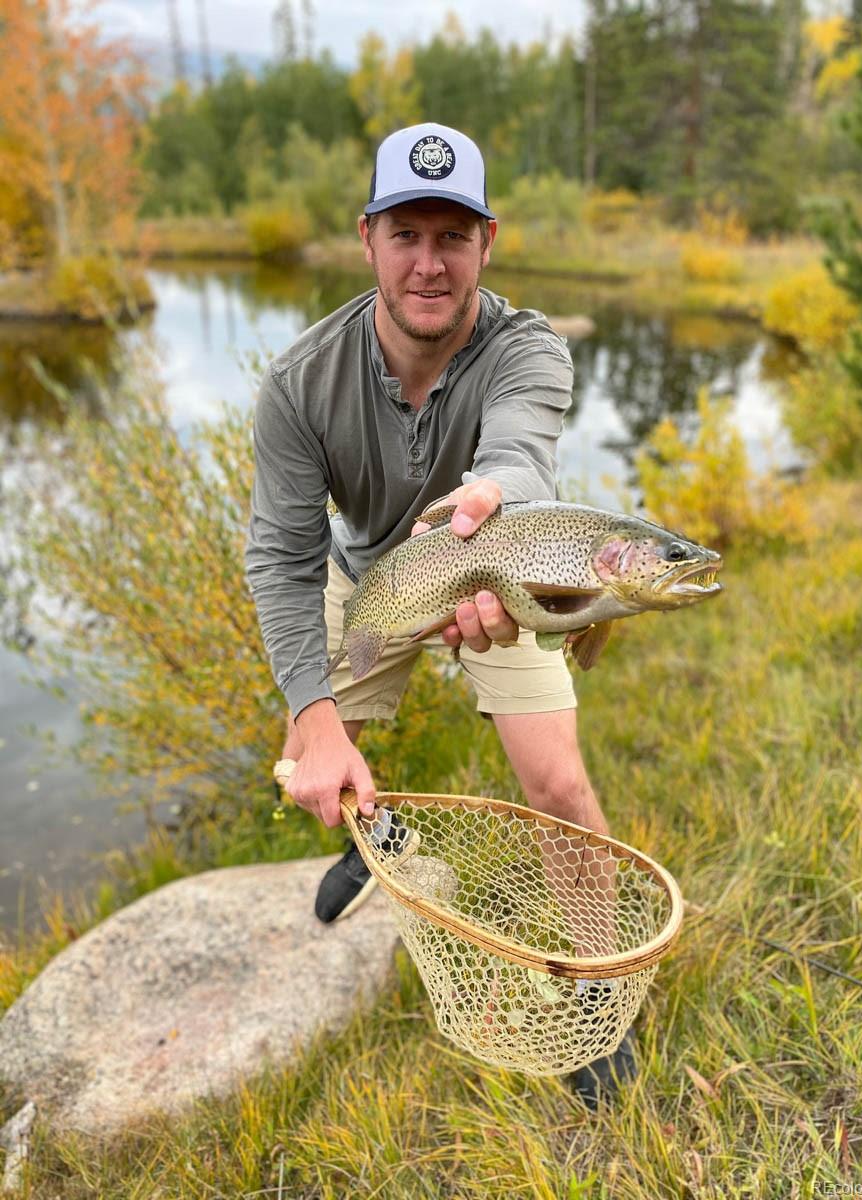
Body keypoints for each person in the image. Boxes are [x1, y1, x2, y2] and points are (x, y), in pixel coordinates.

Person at [245, 122, 635, 1109]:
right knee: (319, 749)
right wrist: (314, 715)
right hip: (369, 577)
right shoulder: (299, 382)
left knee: (560, 787)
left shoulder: (529, 346)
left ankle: (602, 990)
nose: (429, 263)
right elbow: (284, 560)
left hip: (502, 566)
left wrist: (485, 509)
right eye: (407, 234)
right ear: (366, 236)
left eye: (452, 236)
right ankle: (371, 838)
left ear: (488, 242)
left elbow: (518, 458)